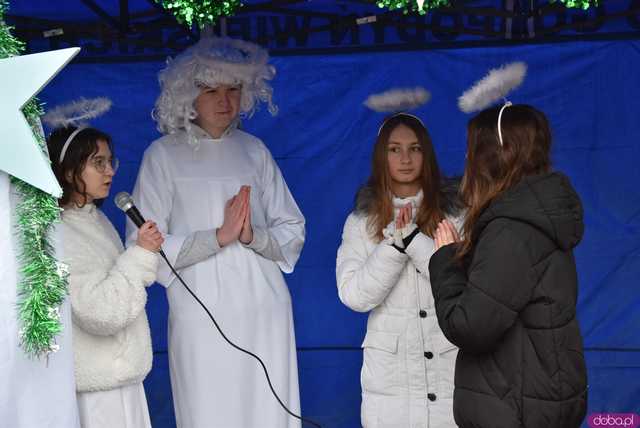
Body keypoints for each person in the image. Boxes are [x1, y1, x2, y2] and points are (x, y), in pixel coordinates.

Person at [128, 36, 305, 428]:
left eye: (233, 89)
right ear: (187, 95)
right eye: (211, 90)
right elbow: (142, 244)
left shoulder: (254, 150)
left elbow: (292, 228)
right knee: (210, 410)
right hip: (201, 316)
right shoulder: (162, 155)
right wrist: (217, 237)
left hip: (264, 310)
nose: (224, 101)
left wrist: (250, 236)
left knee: (269, 410)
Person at [428, 104, 588, 428]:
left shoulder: (513, 231)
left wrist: (446, 260)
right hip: (535, 397)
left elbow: (472, 327)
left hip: (516, 407)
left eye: (472, 152)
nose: (466, 162)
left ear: (495, 157)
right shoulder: (533, 217)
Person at [336, 113, 461, 427]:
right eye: (394, 149)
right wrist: (393, 247)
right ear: (382, 156)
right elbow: (353, 296)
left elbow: (468, 286)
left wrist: (415, 241)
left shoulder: (457, 214)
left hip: (449, 372)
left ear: (426, 154)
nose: (405, 158)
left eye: (415, 148)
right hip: (390, 383)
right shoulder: (360, 222)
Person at [47, 124, 163, 428]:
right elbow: (100, 311)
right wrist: (140, 255)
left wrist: (140, 255)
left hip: (122, 382)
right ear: (70, 170)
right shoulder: (60, 231)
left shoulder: (96, 220)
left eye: (111, 161)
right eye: (98, 162)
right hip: (99, 394)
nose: (109, 170)